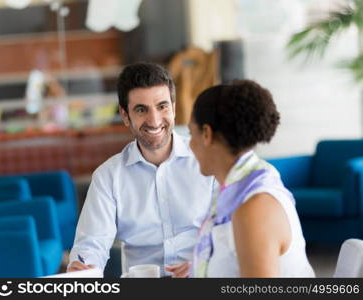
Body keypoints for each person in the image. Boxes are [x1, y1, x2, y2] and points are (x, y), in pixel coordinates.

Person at [67, 62, 215, 277]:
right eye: (141, 109)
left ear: (174, 108)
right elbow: (92, 244)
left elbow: (229, 230)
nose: (154, 120)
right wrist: (83, 268)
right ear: (125, 116)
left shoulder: (208, 160)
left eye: (162, 106)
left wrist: (204, 263)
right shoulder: (108, 176)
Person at [188, 79, 315, 277]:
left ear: (206, 134)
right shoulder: (244, 182)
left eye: (191, 133)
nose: (189, 145)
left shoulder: (255, 208)